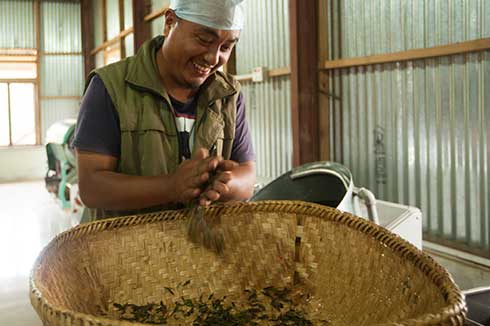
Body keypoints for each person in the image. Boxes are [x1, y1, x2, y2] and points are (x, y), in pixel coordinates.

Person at [73, 0, 256, 221]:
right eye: (204, 40)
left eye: (226, 47)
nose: (213, 58)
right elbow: (92, 188)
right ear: (169, 23)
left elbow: (247, 175)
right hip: (122, 250)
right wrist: (171, 186)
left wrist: (226, 183)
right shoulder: (110, 87)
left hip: (197, 249)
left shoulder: (227, 95)